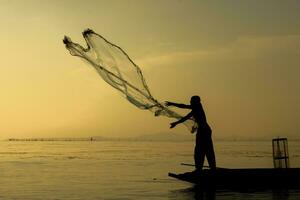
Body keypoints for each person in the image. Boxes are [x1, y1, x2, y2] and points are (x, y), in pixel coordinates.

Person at [165, 95, 216, 170]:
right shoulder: (195, 110)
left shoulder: (198, 107)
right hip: (203, 131)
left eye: (191, 101)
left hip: (204, 131)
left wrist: (172, 104)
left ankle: (208, 169)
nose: (190, 102)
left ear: (196, 102)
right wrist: (176, 123)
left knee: (204, 150)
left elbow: (183, 106)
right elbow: (185, 117)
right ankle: (201, 168)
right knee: (201, 150)